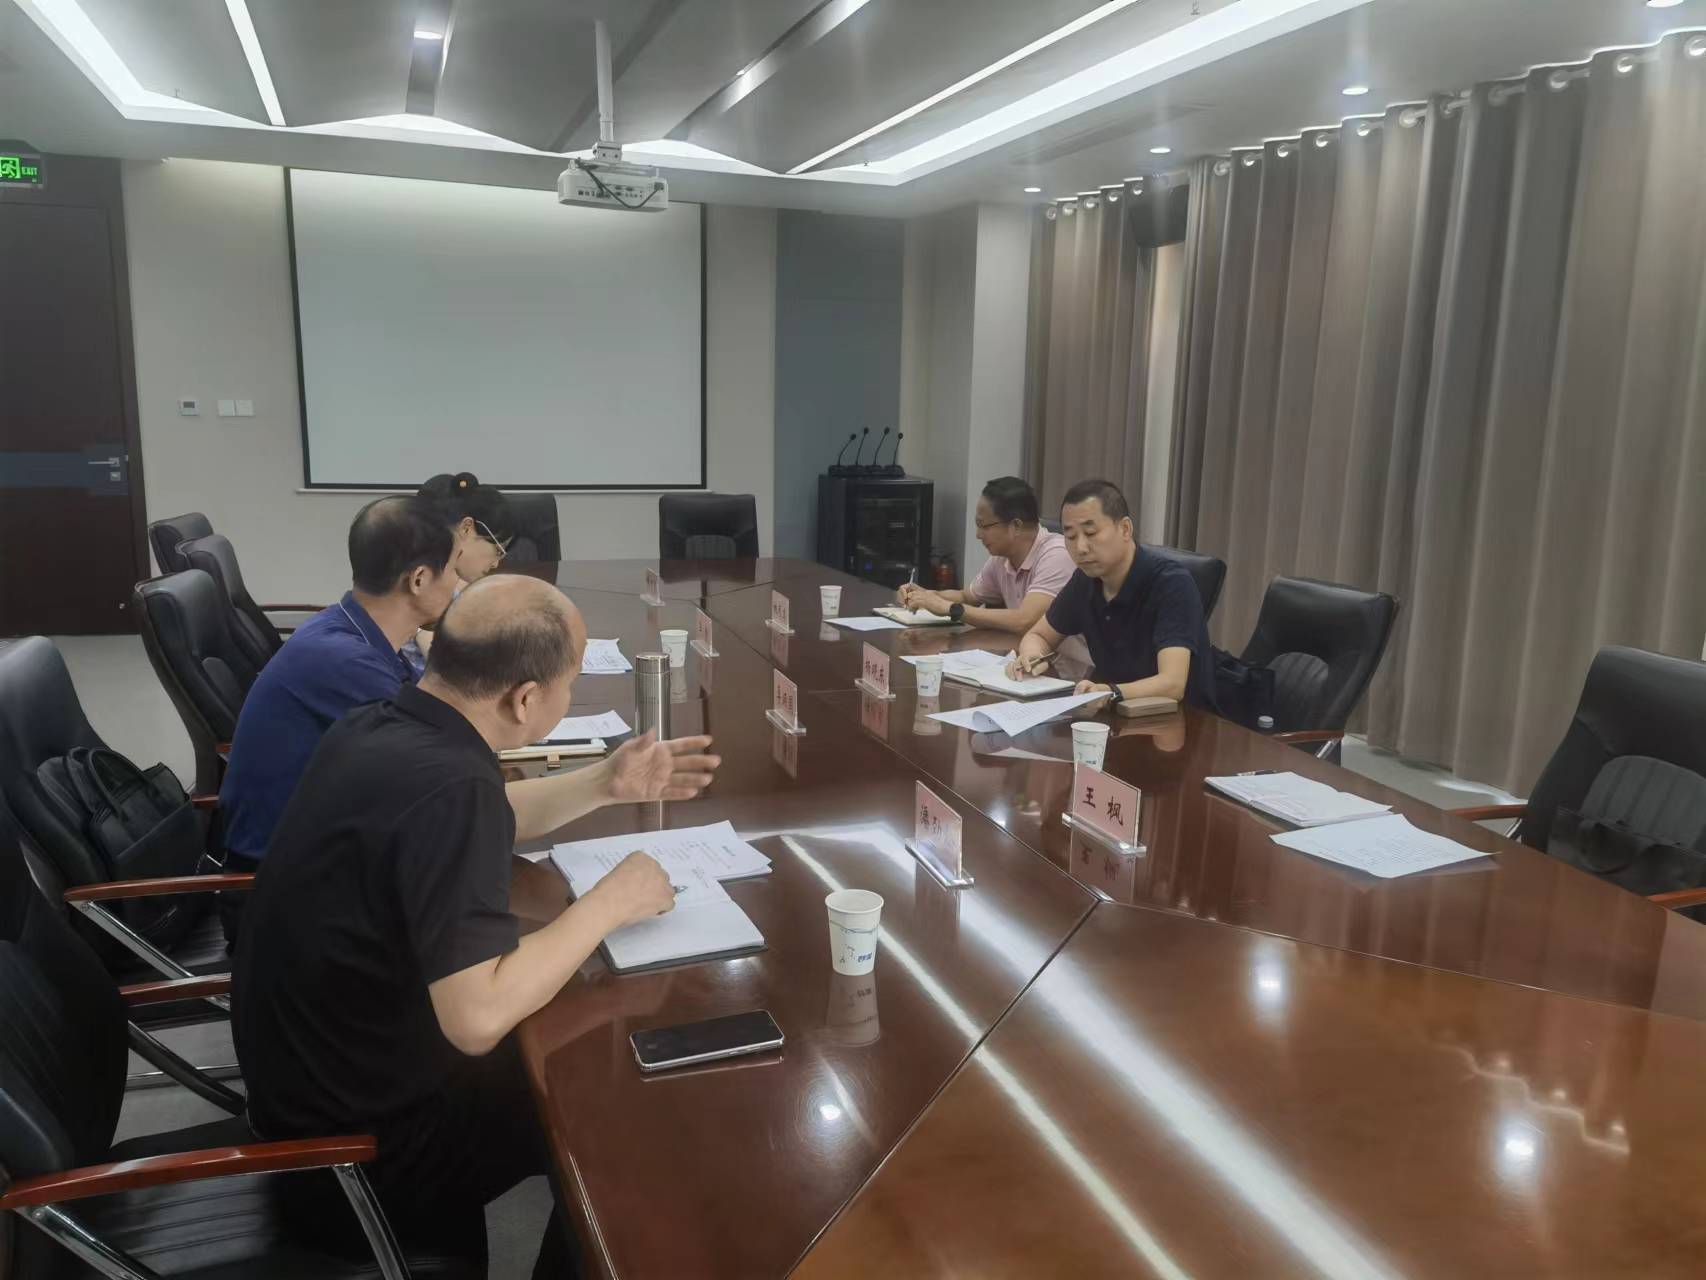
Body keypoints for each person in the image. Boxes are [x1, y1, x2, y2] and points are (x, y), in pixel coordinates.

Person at [233, 574, 721, 1276]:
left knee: (585, 1064)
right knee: (617, 1118)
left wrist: (605, 783)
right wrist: (608, 904)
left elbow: (485, 814)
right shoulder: (451, 785)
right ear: (526, 699)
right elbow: (477, 1018)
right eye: (569, 682)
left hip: (316, 1081)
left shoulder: (381, 726)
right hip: (363, 1153)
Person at [216, 495, 460, 944]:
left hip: (318, 862)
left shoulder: (350, 630)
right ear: (420, 579)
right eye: (454, 570)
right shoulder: (344, 661)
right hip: (285, 904)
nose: (459, 584)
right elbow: (448, 765)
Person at [1006, 479, 1216, 711]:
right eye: (1071, 536)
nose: (1081, 548)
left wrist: (1111, 691)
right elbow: (1040, 635)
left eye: (1091, 533)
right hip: (1113, 714)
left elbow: (1172, 684)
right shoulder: (1085, 579)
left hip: (1180, 719)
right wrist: (1031, 657)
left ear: (1125, 529)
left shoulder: (1171, 582)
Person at [895, 477, 1087, 664]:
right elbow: (967, 597)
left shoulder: (1056, 554)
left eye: (984, 526)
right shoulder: (1001, 558)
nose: (978, 535)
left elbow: (1026, 620)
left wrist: (952, 609)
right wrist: (924, 596)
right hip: (1030, 663)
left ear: (1016, 526)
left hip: (1073, 671)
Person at [405, 472, 516, 676]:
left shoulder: (450, 581)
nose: (496, 563)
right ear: (466, 528)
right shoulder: (427, 583)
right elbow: (449, 669)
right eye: (498, 550)